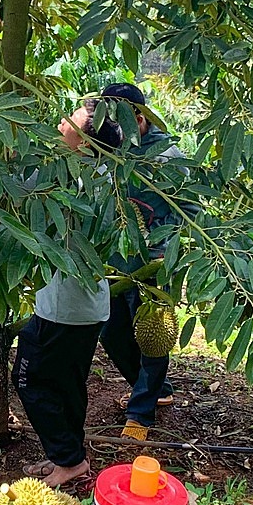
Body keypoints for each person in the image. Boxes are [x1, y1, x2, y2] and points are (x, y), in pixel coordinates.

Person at [15, 99, 123, 488]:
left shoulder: (67, 182)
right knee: (68, 383)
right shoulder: (104, 178)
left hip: (63, 309)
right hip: (87, 308)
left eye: (70, 122)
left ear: (85, 144)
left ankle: (69, 460)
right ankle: (67, 452)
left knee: (30, 381)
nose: (61, 123)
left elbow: (16, 192)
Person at [95, 82, 195, 442]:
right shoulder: (108, 148)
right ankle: (155, 387)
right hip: (115, 261)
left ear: (139, 116)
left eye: (120, 117)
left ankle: (141, 412)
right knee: (111, 330)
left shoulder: (167, 156)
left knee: (153, 338)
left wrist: (165, 250)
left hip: (154, 262)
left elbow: (190, 208)